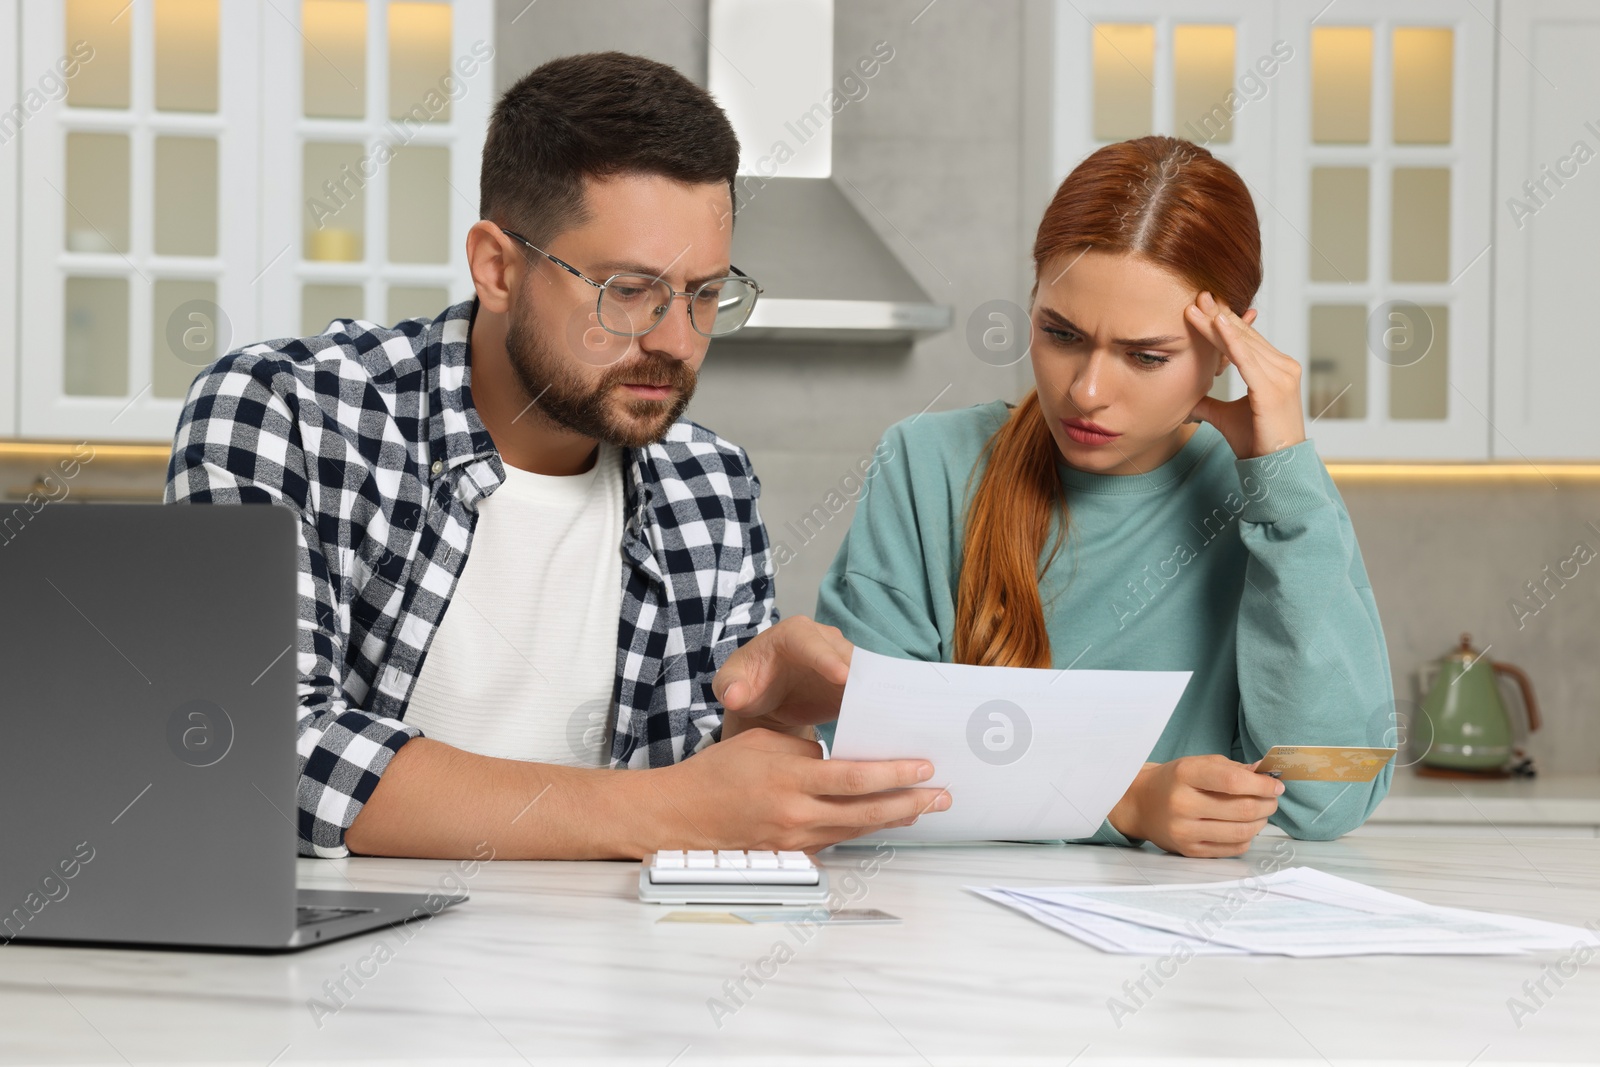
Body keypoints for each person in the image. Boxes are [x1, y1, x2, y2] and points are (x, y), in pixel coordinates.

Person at [165, 51, 945, 860]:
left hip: (618, 970)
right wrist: (662, 810)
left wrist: (757, 729)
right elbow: (250, 747)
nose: (676, 341)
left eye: (706, 294)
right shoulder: (284, 412)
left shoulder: (707, 482)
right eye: (628, 291)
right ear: (497, 268)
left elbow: (710, 799)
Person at [811, 135, 1396, 858]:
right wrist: (1124, 798)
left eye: (1146, 356)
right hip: (952, 930)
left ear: (1231, 344)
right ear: (1032, 305)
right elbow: (862, 764)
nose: (1085, 391)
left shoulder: (1274, 502)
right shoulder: (926, 465)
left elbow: (1328, 795)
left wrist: (1285, 482)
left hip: (1182, 943)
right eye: (1060, 333)